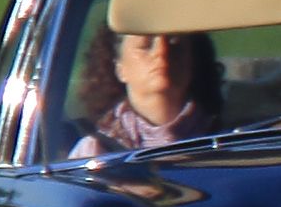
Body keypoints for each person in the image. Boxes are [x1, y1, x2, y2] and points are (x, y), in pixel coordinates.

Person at [77, 24, 229, 149]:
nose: (162, 52)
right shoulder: (94, 152)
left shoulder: (233, 141)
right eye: (145, 45)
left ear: (193, 61)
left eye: (175, 43)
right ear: (119, 68)